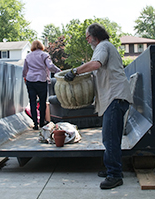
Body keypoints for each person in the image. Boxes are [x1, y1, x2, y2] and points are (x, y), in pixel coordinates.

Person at [64, 23, 133, 189]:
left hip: (114, 97)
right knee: (111, 137)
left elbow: (95, 64)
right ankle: (114, 168)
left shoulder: (102, 46)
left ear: (96, 35)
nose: (87, 39)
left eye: (88, 36)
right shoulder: (106, 47)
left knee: (109, 138)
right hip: (115, 98)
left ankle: (114, 175)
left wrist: (74, 71)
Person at [23, 40, 61, 130]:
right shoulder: (44, 55)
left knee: (32, 102)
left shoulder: (28, 56)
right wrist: (58, 71)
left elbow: (24, 69)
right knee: (42, 102)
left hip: (30, 80)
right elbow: (50, 66)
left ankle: (35, 123)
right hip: (41, 80)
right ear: (41, 46)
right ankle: (42, 123)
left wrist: (25, 77)